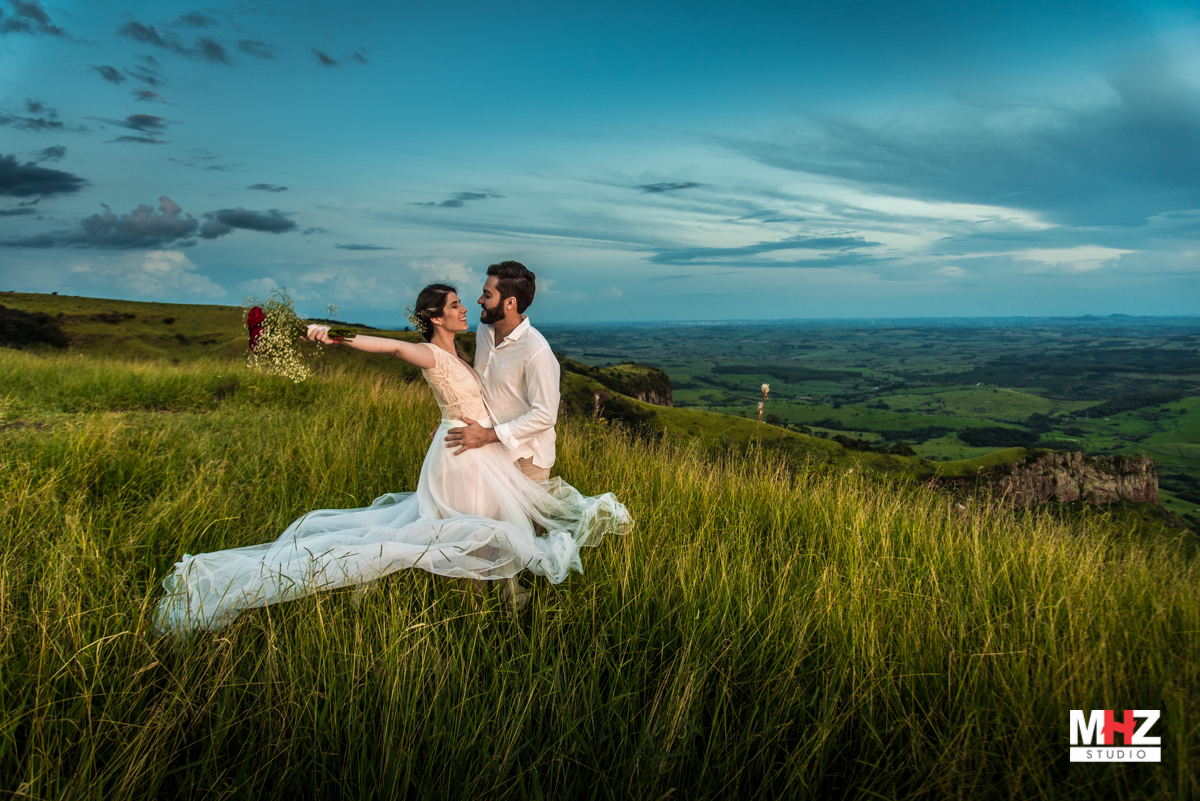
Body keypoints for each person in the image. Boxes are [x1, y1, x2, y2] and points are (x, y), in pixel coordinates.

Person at [153, 282, 631, 633]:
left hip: (472, 449)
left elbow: (471, 399)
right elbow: (384, 346)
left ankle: (495, 612)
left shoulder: (463, 349)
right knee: (468, 535)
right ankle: (477, 618)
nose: (465, 308)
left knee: (485, 534)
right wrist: (318, 333)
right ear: (435, 318)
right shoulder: (429, 353)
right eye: (455, 305)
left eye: (467, 301)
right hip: (462, 459)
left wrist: (450, 418)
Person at [443, 261, 560, 609]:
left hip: (527, 459)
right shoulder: (483, 332)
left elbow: (545, 415)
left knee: (513, 541)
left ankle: (516, 613)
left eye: (487, 294)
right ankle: (474, 610)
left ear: (509, 303)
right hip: (489, 452)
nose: (478, 300)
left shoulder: (537, 352)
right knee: (480, 533)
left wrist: (488, 436)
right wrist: (451, 419)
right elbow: (481, 385)